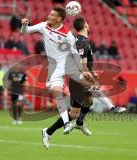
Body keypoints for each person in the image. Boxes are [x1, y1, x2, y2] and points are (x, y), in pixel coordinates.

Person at [21, 6, 121, 135]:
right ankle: (66, 124)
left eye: (52, 15)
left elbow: (75, 54)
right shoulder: (43, 26)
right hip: (54, 68)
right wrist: (24, 25)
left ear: (59, 18)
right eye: (50, 13)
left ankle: (111, 107)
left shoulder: (67, 34)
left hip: (68, 65)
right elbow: (26, 31)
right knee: (58, 92)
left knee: (89, 84)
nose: (49, 16)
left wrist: (83, 70)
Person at [42, 16, 126, 149]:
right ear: (86, 25)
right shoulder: (80, 42)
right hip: (77, 78)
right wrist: (90, 76)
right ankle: (112, 108)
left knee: (83, 106)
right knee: (92, 91)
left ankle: (50, 131)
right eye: (87, 23)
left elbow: (86, 62)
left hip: (80, 76)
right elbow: (80, 62)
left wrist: (92, 72)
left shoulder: (84, 41)